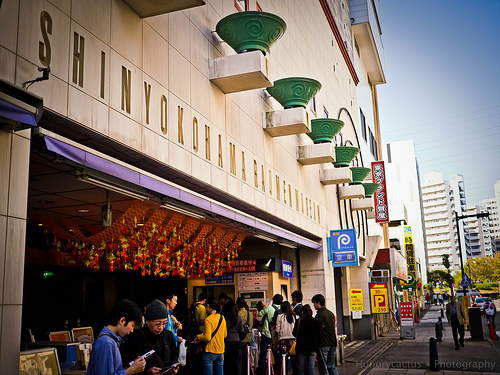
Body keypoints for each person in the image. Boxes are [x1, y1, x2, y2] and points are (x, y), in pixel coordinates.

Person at [87, 299, 145, 375]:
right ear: (122, 321)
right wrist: (131, 370)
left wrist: (130, 367)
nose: (132, 330)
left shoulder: (111, 341)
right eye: (132, 325)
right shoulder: (107, 343)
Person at [121, 299, 179, 375]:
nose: (161, 327)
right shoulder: (135, 338)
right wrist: (147, 371)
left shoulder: (169, 335)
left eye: (164, 323)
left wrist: (174, 368)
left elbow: (174, 358)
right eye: (158, 324)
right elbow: (127, 365)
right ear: (147, 321)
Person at [194, 298, 227, 375]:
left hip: (210, 352)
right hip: (221, 351)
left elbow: (207, 337)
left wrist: (199, 337)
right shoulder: (222, 318)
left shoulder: (208, 320)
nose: (205, 308)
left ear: (208, 306)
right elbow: (225, 335)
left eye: (205, 306)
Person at [312, 294, 339, 375]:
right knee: (331, 365)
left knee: (323, 367)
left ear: (318, 303)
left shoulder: (319, 315)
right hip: (333, 342)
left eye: (314, 303)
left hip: (323, 343)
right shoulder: (330, 313)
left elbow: (317, 330)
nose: (313, 305)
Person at [257, 294, 282, 375]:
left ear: (273, 300)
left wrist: (266, 306)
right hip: (276, 335)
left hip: (266, 334)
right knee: (276, 354)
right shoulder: (281, 309)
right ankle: (279, 371)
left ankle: (261, 372)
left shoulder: (269, 308)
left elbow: (259, 314)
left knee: (263, 353)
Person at [293, 304, 320, 375]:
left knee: (301, 368)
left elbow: (294, 333)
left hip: (301, 347)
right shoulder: (315, 321)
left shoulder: (299, 321)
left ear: (302, 313)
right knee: (311, 367)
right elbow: (319, 334)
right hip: (312, 347)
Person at [222, 299, 244, 375]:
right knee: (235, 360)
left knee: (227, 360)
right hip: (236, 341)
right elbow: (241, 329)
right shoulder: (238, 318)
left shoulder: (225, 318)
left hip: (227, 341)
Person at [275, 301, 297, 372]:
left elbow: (277, 330)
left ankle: (285, 373)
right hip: (292, 340)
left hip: (283, 341)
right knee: (294, 360)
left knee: (283, 362)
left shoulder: (280, 317)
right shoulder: (294, 317)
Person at [236, 297, 253, 374]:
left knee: (238, 359)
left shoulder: (237, 314)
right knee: (247, 359)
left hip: (240, 338)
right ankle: (247, 373)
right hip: (248, 339)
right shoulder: (250, 314)